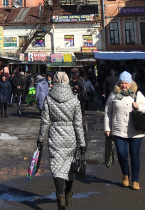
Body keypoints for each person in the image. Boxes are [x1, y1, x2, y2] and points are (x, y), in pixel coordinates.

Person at [37, 71, 86, 209]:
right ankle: (69, 193)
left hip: (55, 136)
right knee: (70, 166)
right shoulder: (74, 99)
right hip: (71, 136)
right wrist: (82, 143)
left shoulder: (48, 98)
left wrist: (40, 140)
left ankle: (60, 196)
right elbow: (78, 123)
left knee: (57, 167)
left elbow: (45, 122)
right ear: (67, 82)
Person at [104, 71, 145, 191]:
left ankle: (135, 180)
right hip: (119, 130)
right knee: (121, 154)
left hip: (135, 131)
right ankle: (125, 174)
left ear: (131, 83)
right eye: (122, 83)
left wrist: (138, 106)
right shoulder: (113, 95)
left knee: (135, 156)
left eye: (126, 83)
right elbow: (107, 112)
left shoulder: (137, 95)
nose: (124, 86)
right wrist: (107, 128)